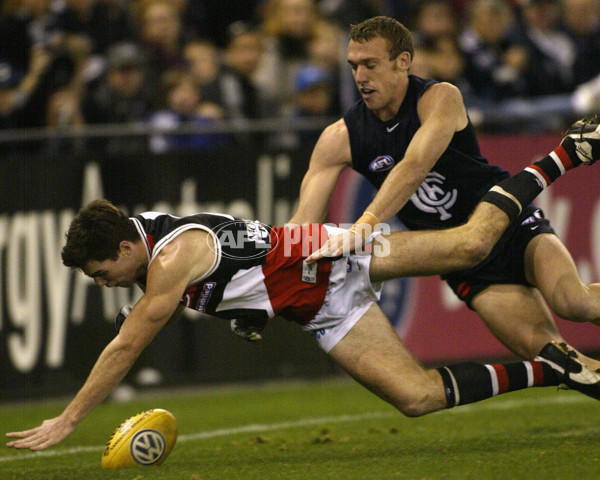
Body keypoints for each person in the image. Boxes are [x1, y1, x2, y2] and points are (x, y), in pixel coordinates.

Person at [5, 117, 600, 450]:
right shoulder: (147, 244)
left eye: (103, 272)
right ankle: (553, 368)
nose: (107, 284)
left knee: (470, 243)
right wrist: (246, 308)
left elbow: (127, 345)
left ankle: (563, 153)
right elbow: (232, 270)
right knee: (416, 399)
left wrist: (68, 420)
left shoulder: (167, 259)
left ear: (126, 248)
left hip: (331, 258)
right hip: (320, 311)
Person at [286, 16, 600, 372]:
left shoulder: (440, 98)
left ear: (403, 62)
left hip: (509, 226)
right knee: (558, 360)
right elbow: (301, 224)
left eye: (370, 65)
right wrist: (264, 282)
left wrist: (364, 226)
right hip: (464, 264)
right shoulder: (339, 137)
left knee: (574, 302)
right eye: (354, 66)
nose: (360, 77)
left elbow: (414, 165)